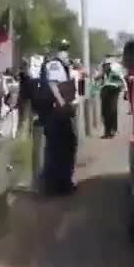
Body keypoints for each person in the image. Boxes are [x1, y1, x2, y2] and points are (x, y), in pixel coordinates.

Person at [35, 39, 77, 196]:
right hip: (55, 112)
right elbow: (53, 85)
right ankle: (58, 184)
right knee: (59, 147)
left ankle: (61, 182)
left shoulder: (63, 64)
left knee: (65, 146)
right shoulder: (55, 64)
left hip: (59, 111)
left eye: (66, 49)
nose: (65, 52)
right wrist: (63, 104)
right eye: (62, 49)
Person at [97, 60, 125, 139]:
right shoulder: (102, 74)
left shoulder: (114, 73)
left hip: (113, 92)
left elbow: (121, 82)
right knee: (105, 113)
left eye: (107, 65)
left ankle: (112, 130)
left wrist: (118, 87)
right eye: (104, 65)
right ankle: (107, 132)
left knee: (112, 110)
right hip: (104, 93)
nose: (105, 67)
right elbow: (96, 80)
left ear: (109, 66)